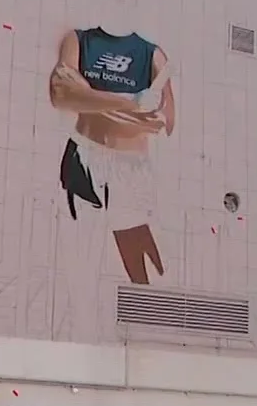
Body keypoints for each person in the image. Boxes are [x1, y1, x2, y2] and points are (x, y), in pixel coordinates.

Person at [50, 25, 176, 286]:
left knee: (144, 274)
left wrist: (89, 97)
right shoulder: (78, 41)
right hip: (84, 156)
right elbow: (61, 94)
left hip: (131, 168)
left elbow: (164, 121)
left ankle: (144, 318)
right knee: (78, 264)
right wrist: (128, 105)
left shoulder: (152, 55)